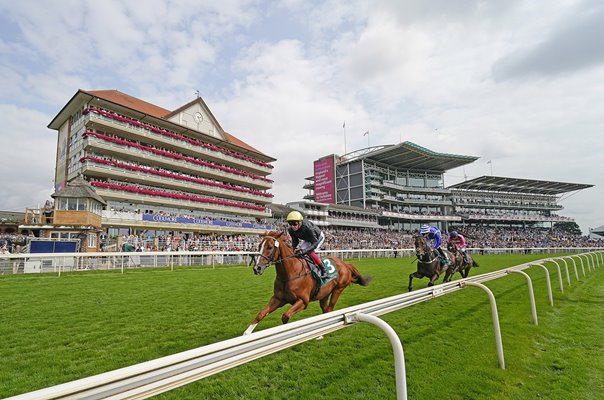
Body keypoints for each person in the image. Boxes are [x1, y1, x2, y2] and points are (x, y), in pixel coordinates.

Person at [286, 211, 329, 278]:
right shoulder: (290, 230)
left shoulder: (307, 227)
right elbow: (295, 242)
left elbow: (315, 243)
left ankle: (324, 270)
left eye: (294, 223)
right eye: (290, 224)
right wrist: (293, 250)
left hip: (318, 238)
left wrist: (305, 251)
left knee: (309, 252)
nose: (292, 226)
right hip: (307, 239)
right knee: (297, 252)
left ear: (300, 222)